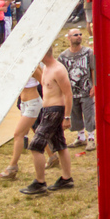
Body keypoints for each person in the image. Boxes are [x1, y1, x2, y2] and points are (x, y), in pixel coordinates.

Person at [20, 48, 75, 195]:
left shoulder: (58, 70)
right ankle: (67, 178)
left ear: (44, 53)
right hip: (48, 110)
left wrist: (67, 117)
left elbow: (68, 94)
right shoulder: (45, 69)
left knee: (35, 146)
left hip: (55, 110)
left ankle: (40, 183)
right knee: (59, 144)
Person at [0, 65, 43, 180]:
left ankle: (12, 167)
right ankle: (53, 156)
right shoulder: (20, 65)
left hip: (33, 103)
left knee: (18, 134)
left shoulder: (33, 67)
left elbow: (45, 82)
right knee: (36, 131)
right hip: (24, 104)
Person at [58, 29, 96, 151]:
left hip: (86, 90)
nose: (79, 36)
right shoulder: (63, 57)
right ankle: (80, 137)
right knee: (75, 115)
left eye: (80, 34)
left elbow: (93, 69)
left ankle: (91, 138)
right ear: (69, 38)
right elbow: (60, 74)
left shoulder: (88, 52)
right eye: (75, 35)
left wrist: (94, 86)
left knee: (89, 114)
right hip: (71, 92)